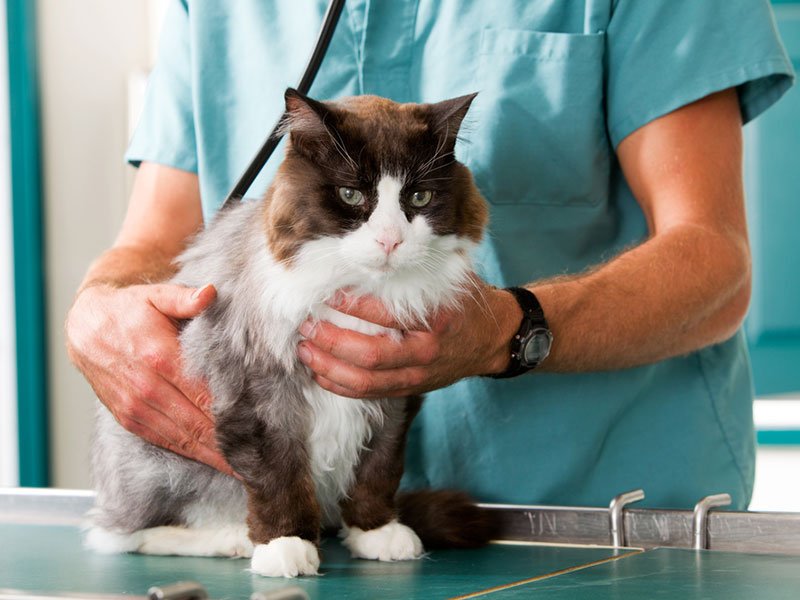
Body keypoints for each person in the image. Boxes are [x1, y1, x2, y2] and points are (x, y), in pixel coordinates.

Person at [66, 0, 794, 509]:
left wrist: (507, 331)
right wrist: (96, 311)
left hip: (603, 517)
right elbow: (153, 244)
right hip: (319, 529)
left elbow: (715, 262)